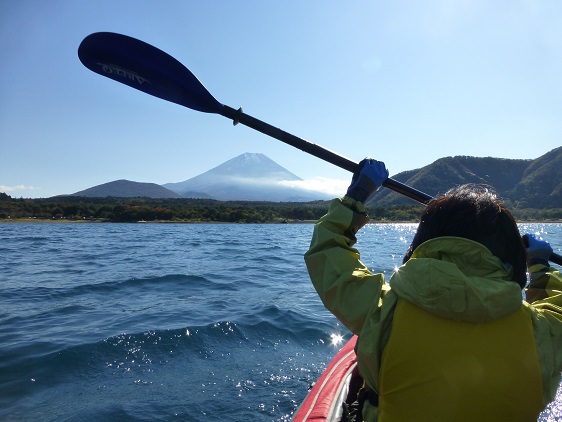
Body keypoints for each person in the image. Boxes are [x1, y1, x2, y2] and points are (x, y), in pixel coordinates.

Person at [304, 158, 562, 421]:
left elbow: (328, 252)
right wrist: (541, 267)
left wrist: (356, 196)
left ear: (424, 242)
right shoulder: (544, 332)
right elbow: (557, 306)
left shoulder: (382, 310)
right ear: (511, 256)